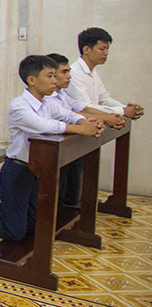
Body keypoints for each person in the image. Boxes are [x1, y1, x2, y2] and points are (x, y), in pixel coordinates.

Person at [0, 55, 104, 242]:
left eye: (55, 76)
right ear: (32, 80)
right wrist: (81, 129)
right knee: (13, 232)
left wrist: (86, 122)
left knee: (32, 226)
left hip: (36, 169)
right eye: (50, 76)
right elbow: (42, 126)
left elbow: (68, 115)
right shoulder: (19, 105)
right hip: (17, 171)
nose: (55, 81)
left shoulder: (48, 103)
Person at [46, 53, 125, 208]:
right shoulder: (47, 98)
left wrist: (108, 116)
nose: (69, 76)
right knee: (61, 191)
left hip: (69, 146)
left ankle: (70, 207)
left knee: (72, 188)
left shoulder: (62, 94)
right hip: (52, 148)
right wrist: (104, 119)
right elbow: (69, 115)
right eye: (64, 72)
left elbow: (82, 108)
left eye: (69, 71)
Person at [66, 27, 144, 121]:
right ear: (86, 49)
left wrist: (127, 109)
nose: (106, 53)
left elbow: (105, 100)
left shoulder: (93, 72)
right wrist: (123, 111)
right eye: (102, 49)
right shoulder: (74, 73)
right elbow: (86, 108)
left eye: (107, 49)